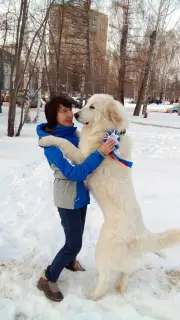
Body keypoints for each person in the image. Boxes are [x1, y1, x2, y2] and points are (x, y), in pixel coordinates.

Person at [36, 95, 115, 302]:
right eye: (63, 111)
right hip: (67, 197)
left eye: (70, 109)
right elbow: (75, 173)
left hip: (80, 196)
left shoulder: (75, 134)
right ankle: (47, 277)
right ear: (53, 116)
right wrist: (100, 153)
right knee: (74, 242)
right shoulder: (51, 146)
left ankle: (70, 262)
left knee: (76, 236)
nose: (70, 114)